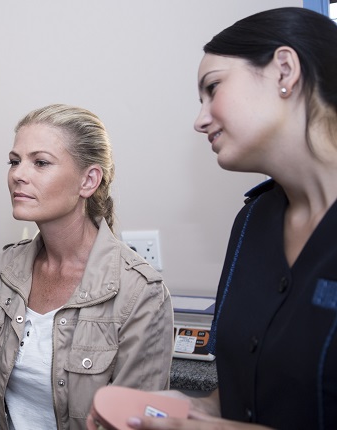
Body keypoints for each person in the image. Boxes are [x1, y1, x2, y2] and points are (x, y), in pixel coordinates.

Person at [98, 7, 337, 430]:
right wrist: (194, 409)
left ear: (284, 70)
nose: (200, 119)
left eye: (213, 88)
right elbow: (252, 389)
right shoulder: (251, 224)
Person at [0, 104, 175, 430]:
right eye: (14, 161)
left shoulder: (141, 293)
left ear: (88, 181)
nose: (18, 174)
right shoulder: (6, 269)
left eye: (40, 162)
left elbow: (130, 421)